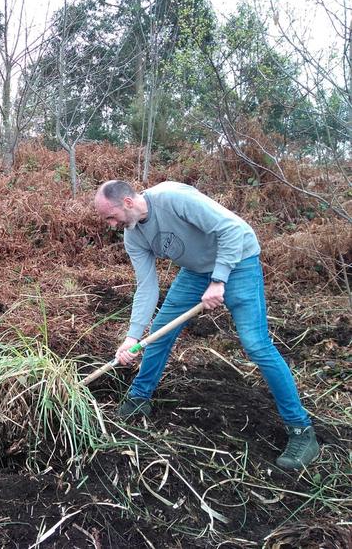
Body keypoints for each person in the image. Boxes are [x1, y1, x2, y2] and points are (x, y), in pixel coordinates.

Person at [93, 179, 319, 470]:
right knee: (159, 334)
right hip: (196, 272)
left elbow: (233, 229)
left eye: (110, 216)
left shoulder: (172, 199)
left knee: (256, 345)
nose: (110, 224)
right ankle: (139, 397)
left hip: (239, 261)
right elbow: (146, 288)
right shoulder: (133, 235)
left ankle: (301, 431)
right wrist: (132, 336)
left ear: (126, 203)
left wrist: (219, 278)